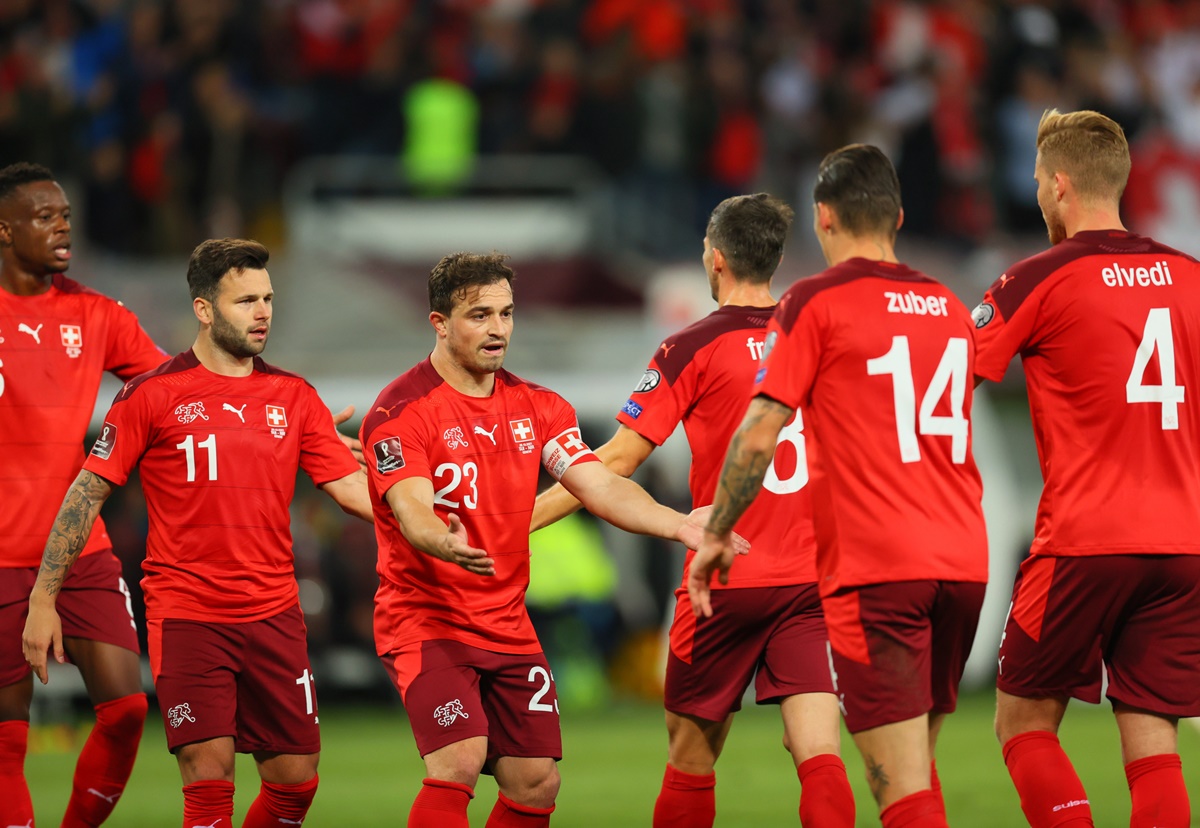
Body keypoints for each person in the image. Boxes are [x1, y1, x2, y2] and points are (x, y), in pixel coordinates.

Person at [361, 252, 742, 828]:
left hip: (507, 624)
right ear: (439, 323)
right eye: (479, 315)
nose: (497, 329)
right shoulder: (401, 412)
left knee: (536, 782)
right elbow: (411, 508)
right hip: (427, 620)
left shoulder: (540, 408)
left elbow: (599, 485)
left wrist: (678, 522)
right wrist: (442, 540)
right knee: (459, 761)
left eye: (507, 313)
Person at [22, 238, 374, 828]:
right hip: (189, 614)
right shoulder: (151, 395)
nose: (262, 312)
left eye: (267, 299)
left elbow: (350, 489)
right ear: (204, 310)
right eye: (245, 301)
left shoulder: (293, 395)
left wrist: (422, 520)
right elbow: (85, 495)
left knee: (296, 780)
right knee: (209, 782)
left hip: (275, 614)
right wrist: (43, 596)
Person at [531, 193, 854, 827]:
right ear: (777, 257)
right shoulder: (822, 335)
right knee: (819, 755)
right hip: (814, 579)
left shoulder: (691, 347)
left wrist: (516, 524)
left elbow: (617, 461)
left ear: (714, 260)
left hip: (723, 576)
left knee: (691, 759)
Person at [691, 145, 988, 828]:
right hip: (964, 565)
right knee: (919, 769)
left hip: (879, 569)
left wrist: (713, 535)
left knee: (900, 790)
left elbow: (761, 431)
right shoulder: (947, 304)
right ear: (900, 217)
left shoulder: (814, 300)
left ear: (822, 217)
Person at [973, 109, 1200, 828]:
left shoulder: (1039, 276)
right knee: (1154, 736)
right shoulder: (1192, 276)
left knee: (1023, 723)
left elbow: (948, 375)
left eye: (1039, 181)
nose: (1038, 193)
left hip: (1085, 540)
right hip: (1185, 544)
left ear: (1060, 186)